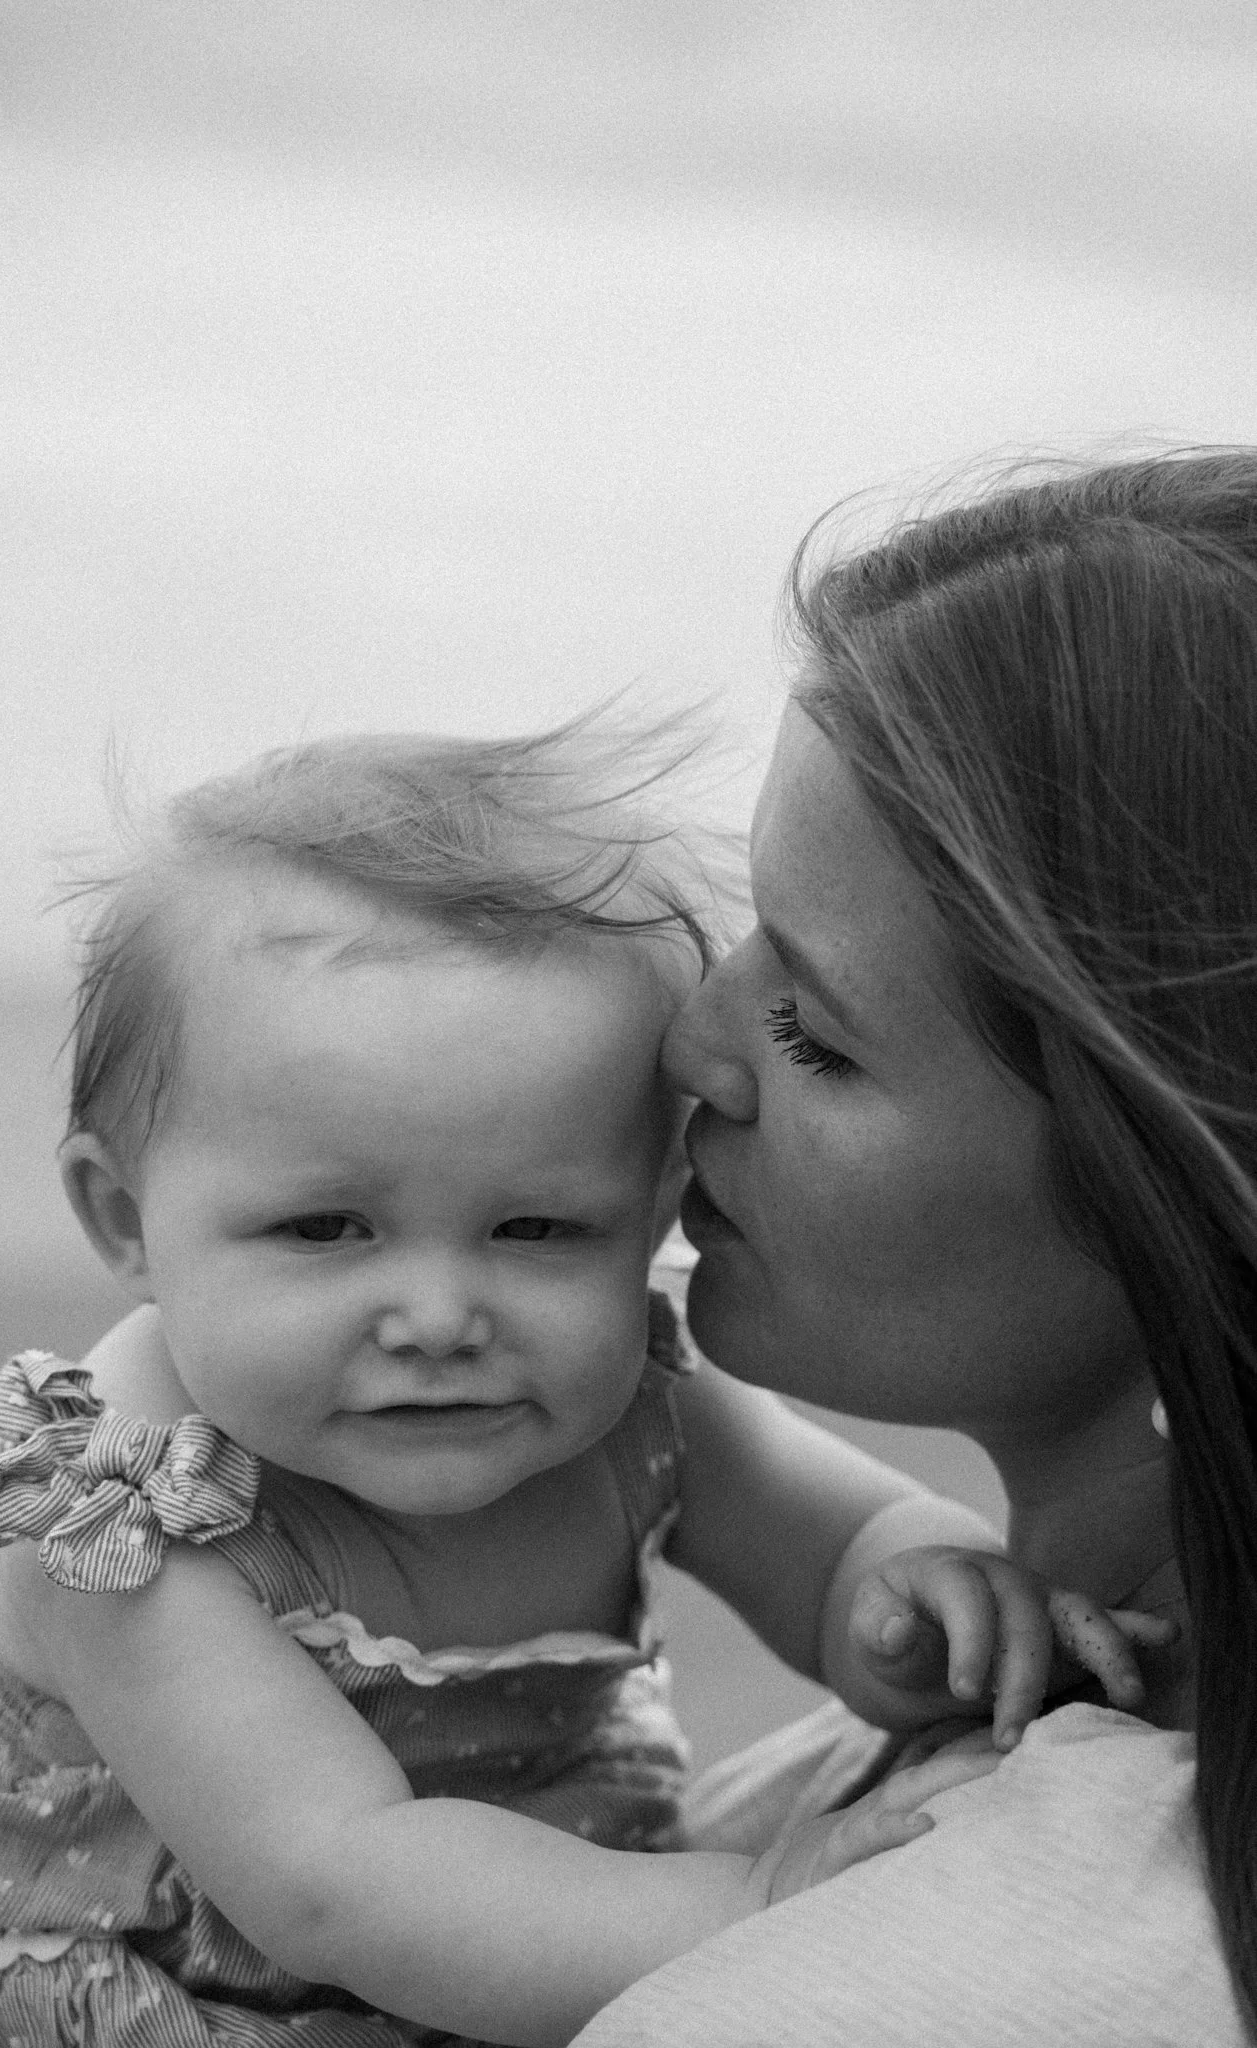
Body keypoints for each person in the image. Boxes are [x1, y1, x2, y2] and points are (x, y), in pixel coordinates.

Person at [0, 724, 1156, 2048]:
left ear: (658, 1209)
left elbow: (842, 1549)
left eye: (537, 1230)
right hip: (179, 1974)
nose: (441, 1319)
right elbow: (337, 1878)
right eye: (325, 1229)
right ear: (124, 1219)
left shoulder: (638, 1402)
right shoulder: (122, 1524)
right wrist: (756, 1903)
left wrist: (925, 1610)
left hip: (528, 1928)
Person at [573, 449, 1257, 2047]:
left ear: (1184, 1192)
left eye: (815, 1035)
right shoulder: (981, 1769)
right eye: (743, 930)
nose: (690, 1045)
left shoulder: (920, 1990)